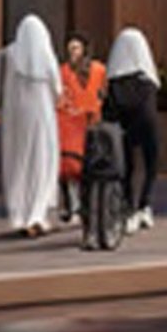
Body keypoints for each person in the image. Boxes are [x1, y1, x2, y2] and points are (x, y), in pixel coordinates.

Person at [0, 15, 61, 237]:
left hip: (16, 119)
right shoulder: (46, 55)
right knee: (42, 162)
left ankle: (19, 215)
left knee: (19, 164)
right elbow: (57, 89)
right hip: (42, 118)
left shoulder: (8, 55)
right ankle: (37, 214)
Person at [102, 27, 161, 229]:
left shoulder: (113, 82)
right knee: (151, 164)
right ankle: (144, 205)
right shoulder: (148, 79)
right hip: (148, 127)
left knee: (127, 168)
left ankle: (129, 208)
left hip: (123, 130)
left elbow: (108, 111)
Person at [56, 33, 106, 225]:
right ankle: (72, 206)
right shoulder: (62, 71)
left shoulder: (99, 70)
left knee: (90, 169)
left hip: (92, 123)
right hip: (70, 124)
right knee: (69, 168)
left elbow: (104, 92)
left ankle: (87, 207)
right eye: (69, 49)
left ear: (84, 49)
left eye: (76, 48)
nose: (73, 53)